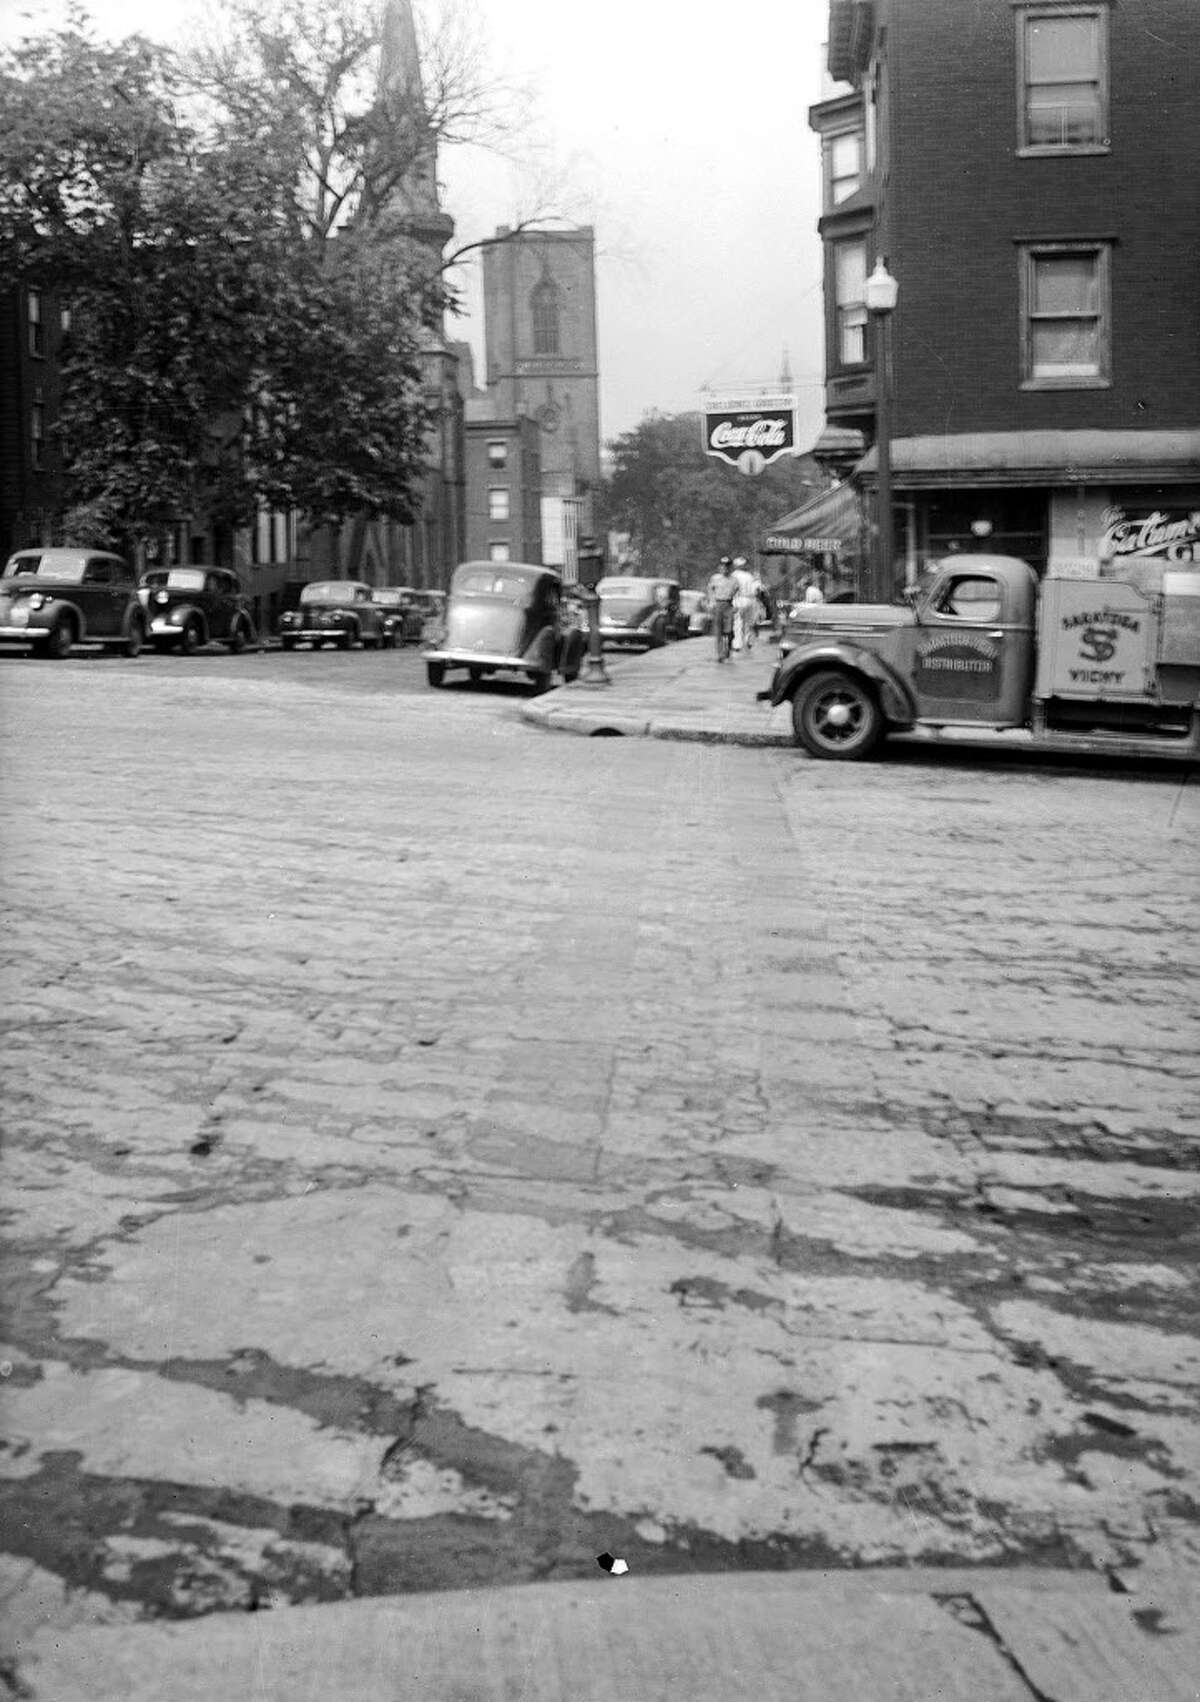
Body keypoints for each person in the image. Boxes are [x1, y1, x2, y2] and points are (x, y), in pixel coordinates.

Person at [707, 556, 736, 661]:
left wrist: (737, 605)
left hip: (729, 605)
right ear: (720, 567)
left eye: (727, 566)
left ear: (730, 567)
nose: (725, 568)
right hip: (718, 604)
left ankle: (728, 647)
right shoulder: (715, 578)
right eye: (723, 566)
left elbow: (738, 593)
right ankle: (720, 654)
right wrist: (711, 602)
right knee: (718, 631)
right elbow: (710, 590)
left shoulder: (734, 580)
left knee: (729, 630)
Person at [731, 556, 758, 651]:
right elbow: (756, 589)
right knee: (748, 623)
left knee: (738, 622)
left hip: (739, 599)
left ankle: (737, 643)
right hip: (750, 599)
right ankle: (748, 641)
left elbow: (732, 588)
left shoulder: (734, 575)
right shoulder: (750, 576)